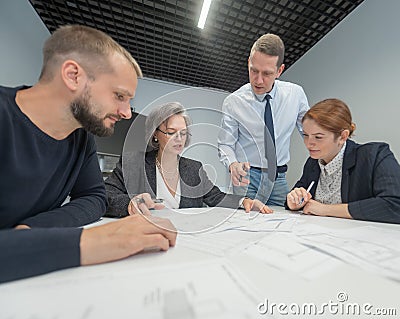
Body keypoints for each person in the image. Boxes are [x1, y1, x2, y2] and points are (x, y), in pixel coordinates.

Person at [0, 24, 142, 229]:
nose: (127, 113)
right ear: (73, 75)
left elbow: (94, 197)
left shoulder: (81, 137)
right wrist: (88, 243)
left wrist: (31, 231)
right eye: (119, 96)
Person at [105, 102, 271, 217]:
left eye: (183, 133)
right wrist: (129, 203)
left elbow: (216, 197)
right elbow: (105, 195)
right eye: (171, 132)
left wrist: (245, 201)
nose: (179, 138)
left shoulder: (194, 168)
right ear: (155, 134)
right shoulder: (133, 164)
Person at [218, 33, 309, 207]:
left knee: (284, 224)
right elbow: (225, 144)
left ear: (280, 70)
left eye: (267, 73)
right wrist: (233, 164)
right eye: (254, 70)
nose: (258, 80)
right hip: (247, 178)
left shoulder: (295, 95)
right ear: (248, 63)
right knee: (246, 226)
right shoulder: (234, 102)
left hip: (279, 177)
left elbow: (310, 131)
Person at [286, 98, 400, 224]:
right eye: (306, 135)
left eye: (318, 137)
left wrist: (326, 210)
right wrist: (293, 202)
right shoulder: (313, 162)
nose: (309, 143)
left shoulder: (374, 155)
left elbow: (394, 205)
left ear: (343, 136)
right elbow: (299, 197)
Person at [0, 213, 177, 283]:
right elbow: (108, 196)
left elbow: (94, 196)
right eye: (170, 131)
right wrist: (83, 240)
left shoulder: (83, 141)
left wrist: (31, 227)